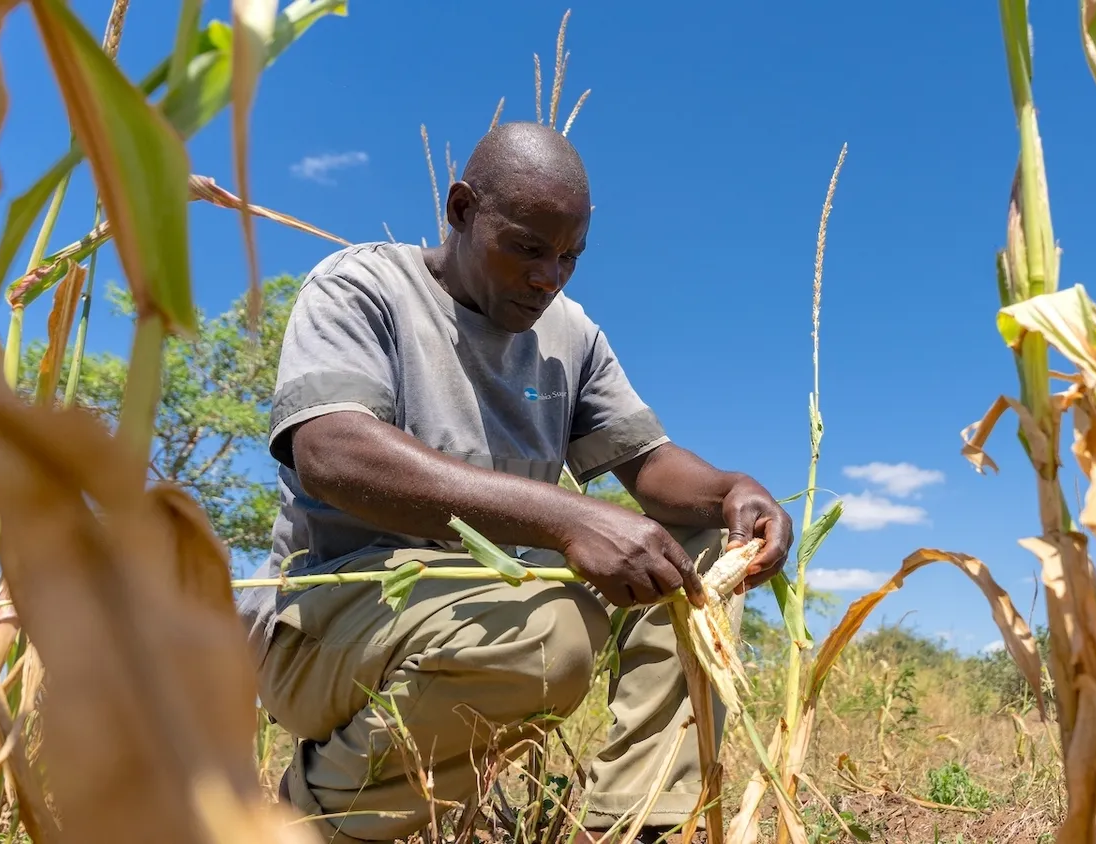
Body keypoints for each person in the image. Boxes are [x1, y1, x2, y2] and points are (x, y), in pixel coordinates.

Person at [236, 121, 794, 844]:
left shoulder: (571, 336)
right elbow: (333, 453)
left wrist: (730, 492)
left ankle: (640, 823)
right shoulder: (363, 287)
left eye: (569, 256)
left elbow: (651, 467)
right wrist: (565, 519)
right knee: (550, 635)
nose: (548, 277)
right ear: (463, 210)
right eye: (528, 248)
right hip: (325, 629)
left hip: (495, 615)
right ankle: (311, 823)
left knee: (702, 545)